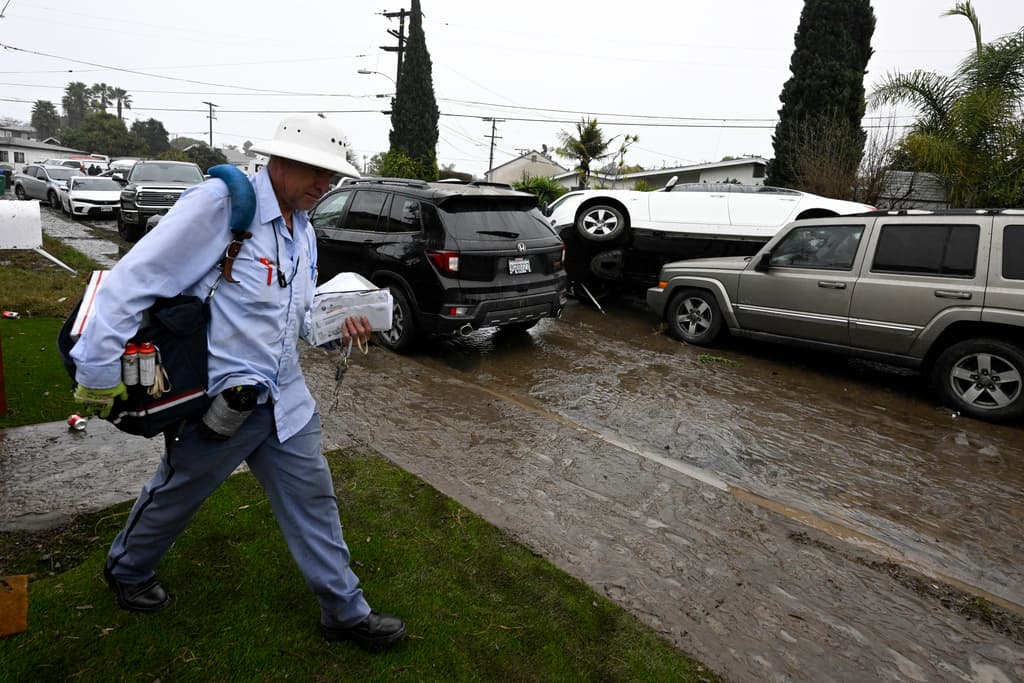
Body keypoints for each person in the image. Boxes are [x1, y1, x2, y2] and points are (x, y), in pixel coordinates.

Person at [69, 115, 406, 650]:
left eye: (334, 176)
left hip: (286, 400)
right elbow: (131, 283)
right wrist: (97, 373)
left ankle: (344, 611)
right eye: (317, 172)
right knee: (177, 492)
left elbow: (294, 317)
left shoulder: (303, 229)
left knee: (315, 500)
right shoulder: (222, 205)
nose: (327, 185)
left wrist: (339, 325)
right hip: (220, 403)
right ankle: (128, 570)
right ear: (279, 160)